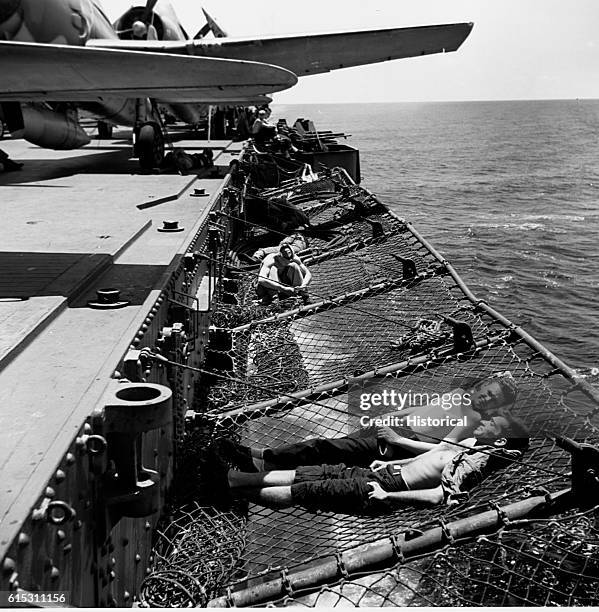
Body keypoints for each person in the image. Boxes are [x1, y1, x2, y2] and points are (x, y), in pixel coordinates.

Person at [225, 416, 529, 514]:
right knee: (310, 474)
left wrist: (388, 496)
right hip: (382, 472)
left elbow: (440, 496)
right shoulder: (472, 445)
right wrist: (392, 460)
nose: (485, 422)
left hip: (385, 488)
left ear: (500, 443)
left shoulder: (476, 465)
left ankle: (232, 489)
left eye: (493, 424)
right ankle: (233, 479)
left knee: (307, 490)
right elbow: (433, 456)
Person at [219, 373, 519, 471]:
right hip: (394, 427)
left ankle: (262, 460)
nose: (487, 399)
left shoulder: (472, 417)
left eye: (494, 401)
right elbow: (422, 407)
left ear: (497, 408)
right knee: (337, 452)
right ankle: (263, 461)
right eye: (488, 393)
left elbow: (440, 448)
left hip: (400, 443)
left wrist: (396, 438)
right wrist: (391, 415)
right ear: (483, 386)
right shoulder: (459, 393)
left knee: (331, 448)